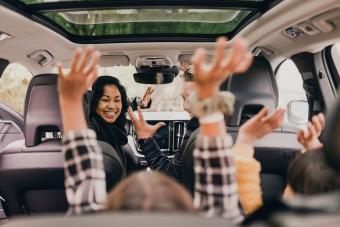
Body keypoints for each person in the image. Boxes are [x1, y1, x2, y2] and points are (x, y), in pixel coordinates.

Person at [57, 37, 284, 222]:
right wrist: (238, 137)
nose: (185, 106)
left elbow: (85, 182)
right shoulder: (205, 139)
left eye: (189, 98)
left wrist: (70, 101)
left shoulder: (196, 139)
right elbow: (217, 194)